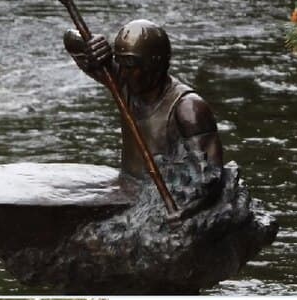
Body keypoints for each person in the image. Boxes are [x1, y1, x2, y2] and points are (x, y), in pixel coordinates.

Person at [64, 19, 223, 192]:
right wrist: (95, 44)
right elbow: (71, 40)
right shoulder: (123, 83)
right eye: (120, 63)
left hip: (163, 195)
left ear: (155, 65)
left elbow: (209, 176)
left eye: (131, 66)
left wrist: (187, 209)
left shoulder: (189, 108)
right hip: (129, 188)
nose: (123, 72)